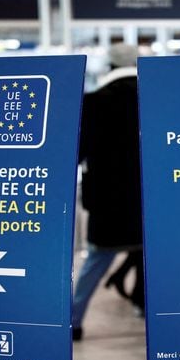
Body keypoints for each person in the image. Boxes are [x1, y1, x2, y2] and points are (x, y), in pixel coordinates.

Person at [71, 43, 144, 341]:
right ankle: (151, 311)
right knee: (151, 257)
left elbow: (80, 150)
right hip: (148, 197)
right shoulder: (152, 97)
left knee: (97, 258)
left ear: (110, 67)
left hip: (107, 198)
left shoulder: (94, 102)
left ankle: (73, 320)